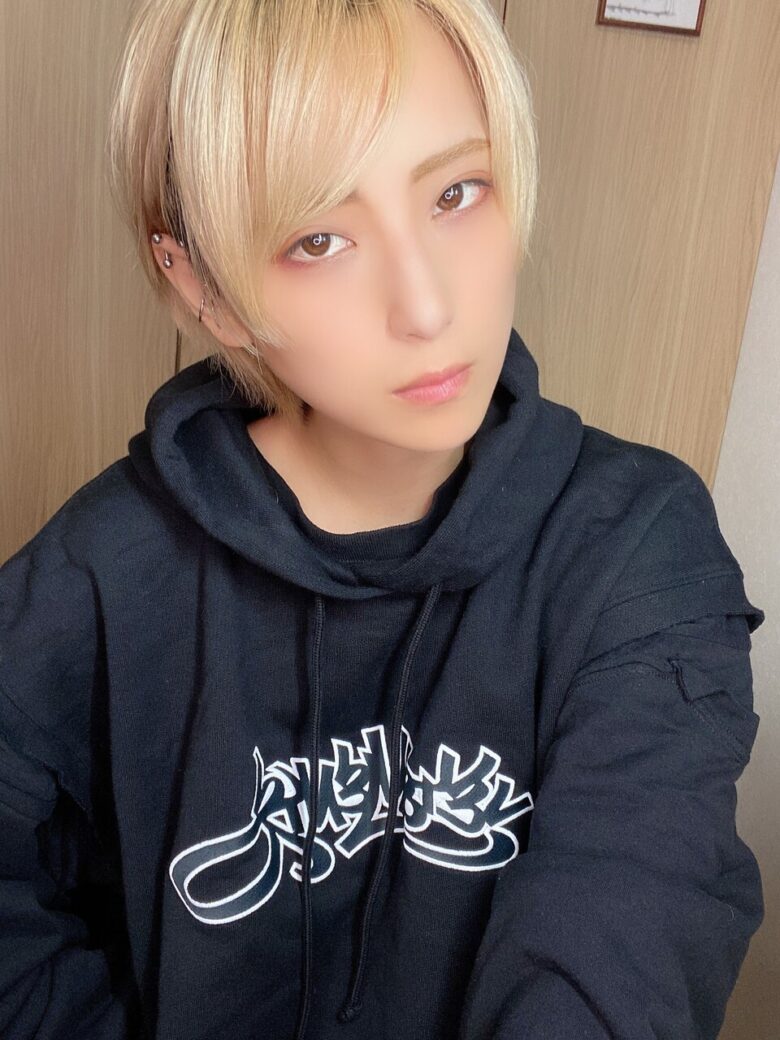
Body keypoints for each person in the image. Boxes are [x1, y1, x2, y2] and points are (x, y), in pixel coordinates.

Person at [0, 0, 765, 1038]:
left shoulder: (636, 550)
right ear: (205, 289)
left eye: (456, 192)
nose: (428, 306)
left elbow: (631, 928)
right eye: (320, 238)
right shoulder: (100, 571)